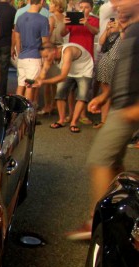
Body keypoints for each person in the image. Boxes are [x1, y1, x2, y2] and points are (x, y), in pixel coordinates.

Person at [66, 0, 139, 240]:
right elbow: (127, 70)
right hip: (121, 104)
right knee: (113, 164)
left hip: (129, 109)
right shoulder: (130, 28)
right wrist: (107, 94)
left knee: (100, 160)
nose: (115, 3)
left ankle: (99, 222)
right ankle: (117, 217)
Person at [36, 42, 94, 133]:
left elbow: (62, 77)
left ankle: (74, 122)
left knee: (82, 96)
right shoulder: (50, 56)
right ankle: (61, 120)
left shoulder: (67, 52)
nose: (45, 59)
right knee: (60, 93)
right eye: (44, 57)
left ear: (54, 51)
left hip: (84, 71)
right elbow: (43, 73)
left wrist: (43, 82)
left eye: (46, 56)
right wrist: (35, 82)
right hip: (70, 71)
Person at [14, 0, 49, 103]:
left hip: (22, 57)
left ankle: (16, 112)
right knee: (30, 87)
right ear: (41, 1)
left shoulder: (20, 18)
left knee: (20, 85)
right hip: (34, 57)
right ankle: (26, 115)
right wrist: (45, 61)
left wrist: (20, 53)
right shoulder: (43, 20)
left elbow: (17, 39)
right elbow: (45, 43)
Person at [93, 16, 124, 129]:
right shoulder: (111, 31)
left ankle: (119, 122)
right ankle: (103, 121)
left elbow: (126, 42)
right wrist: (107, 29)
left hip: (121, 64)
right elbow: (101, 42)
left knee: (119, 93)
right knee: (105, 92)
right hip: (106, 62)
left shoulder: (129, 29)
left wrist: (121, 29)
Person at [38, 0, 65, 115]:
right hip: (60, 48)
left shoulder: (51, 18)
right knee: (56, 80)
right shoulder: (64, 18)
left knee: (48, 82)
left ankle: (47, 105)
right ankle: (53, 104)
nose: (50, 6)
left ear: (58, 6)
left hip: (51, 49)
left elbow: (47, 36)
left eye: (52, 4)